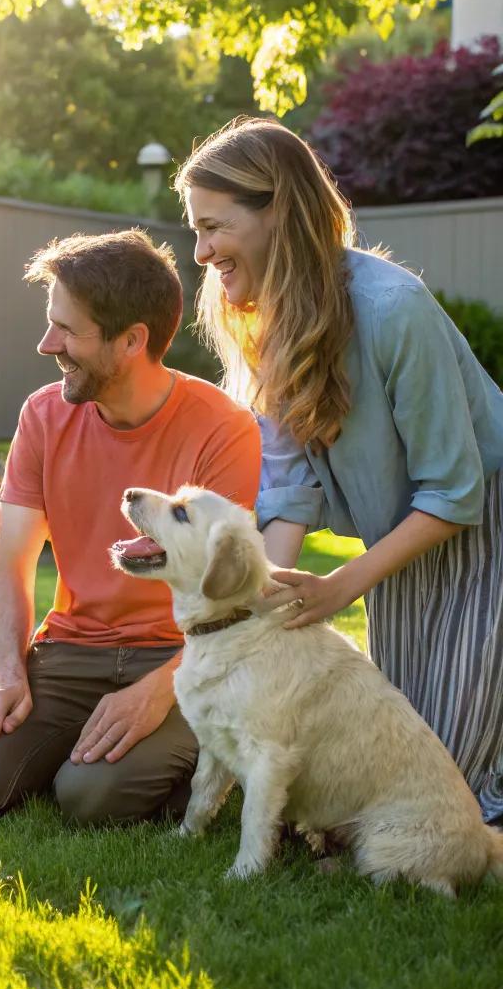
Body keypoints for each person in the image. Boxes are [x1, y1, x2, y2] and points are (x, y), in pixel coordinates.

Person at [175, 116, 503, 823]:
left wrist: (336, 589)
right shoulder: (265, 325)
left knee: (459, 788)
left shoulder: (393, 308)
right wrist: (255, 608)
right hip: (405, 539)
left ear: (277, 213)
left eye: (213, 228)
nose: (200, 252)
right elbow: (290, 484)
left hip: (483, 532)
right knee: (397, 758)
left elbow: (456, 490)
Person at [0, 229, 261, 824]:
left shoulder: (222, 428)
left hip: (180, 657)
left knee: (90, 798)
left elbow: (234, 598)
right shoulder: (42, 415)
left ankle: (206, 758)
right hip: (70, 650)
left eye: (67, 330)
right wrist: (6, 672)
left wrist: (158, 692)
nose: (45, 343)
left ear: (131, 341)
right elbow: (11, 563)